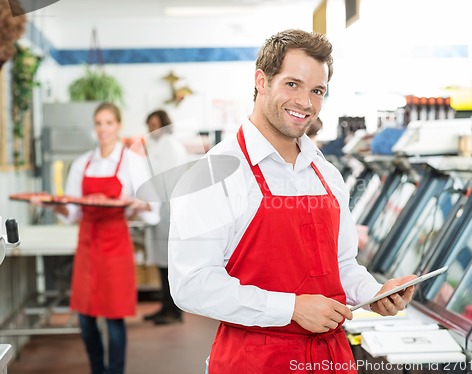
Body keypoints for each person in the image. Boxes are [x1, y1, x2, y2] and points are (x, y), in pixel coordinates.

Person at [168, 29, 415, 374]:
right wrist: (291, 308)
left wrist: (374, 294)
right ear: (261, 81)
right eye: (293, 84)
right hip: (254, 361)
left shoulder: (326, 174)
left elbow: (341, 265)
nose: (306, 103)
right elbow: (191, 285)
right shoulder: (213, 174)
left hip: (331, 359)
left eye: (318, 91)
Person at [36, 102, 159, 374]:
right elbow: (72, 212)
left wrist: (138, 204)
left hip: (115, 244)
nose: (103, 129)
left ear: (118, 125)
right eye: (99, 123)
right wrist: (53, 205)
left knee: (114, 320)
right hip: (88, 245)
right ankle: (97, 369)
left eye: (109, 123)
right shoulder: (82, 163)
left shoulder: (132, 161)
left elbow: (153, 207)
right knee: (85, 320)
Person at [142, 109, 188, 325]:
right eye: (149, 125)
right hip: (159, 206)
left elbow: (164, 178)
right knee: (163, 260)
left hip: (167, 206)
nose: (152, 129)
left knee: (169, 260)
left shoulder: (168, 144)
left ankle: (173, 311)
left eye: (155, 124)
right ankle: (165, 307)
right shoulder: (159, 145)